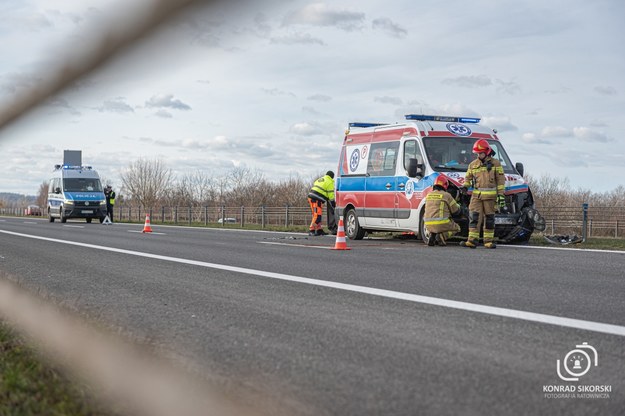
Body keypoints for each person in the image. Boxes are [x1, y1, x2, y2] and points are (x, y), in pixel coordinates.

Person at [460, 139, 505, 249]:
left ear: (487, 151)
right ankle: (472, 240)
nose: (479, 155)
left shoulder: (496, 164)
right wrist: (465, 186)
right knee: (474, 218)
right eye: (477, 153)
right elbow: (468, 178)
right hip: (476, 197)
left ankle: (488, 241)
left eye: (481, 153)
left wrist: (501, 195)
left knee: (489, 219)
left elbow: (500, 181)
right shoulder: (473, 165)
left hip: (490, 197)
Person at [423, 175, 461, 246]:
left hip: (427, 225)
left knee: (435, 227)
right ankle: (443, 236)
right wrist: (460, 207)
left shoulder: (428, 195)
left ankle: (432, 235)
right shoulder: (447, 195)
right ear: (445, 185)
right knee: (457, 228)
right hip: (442, 223)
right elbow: (455, 211)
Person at [307, 171, 335, 236]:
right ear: (332, 177)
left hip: (311, 197)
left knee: (316, 214)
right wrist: (333, 203)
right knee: (317, 216)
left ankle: (319, 230)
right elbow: (331, 195)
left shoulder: (321, 179)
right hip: (317, 199)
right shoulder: (330, 182)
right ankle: (311, 230)